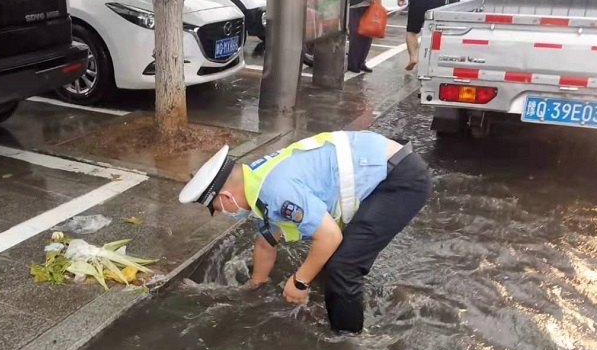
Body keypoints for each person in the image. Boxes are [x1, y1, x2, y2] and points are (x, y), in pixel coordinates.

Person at [179, 131, 432, 334]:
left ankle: (350, 347)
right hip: (384, 165)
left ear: (224, 196)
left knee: (342, 267)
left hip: (398, 179)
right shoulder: (255, 181)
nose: (224, 213)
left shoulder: (275, 189)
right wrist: (254, 286)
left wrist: (299, 282)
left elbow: (330, 236)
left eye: (217, 208)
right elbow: (265, 242)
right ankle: (346, 311)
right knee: (327, 263)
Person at [347, 0, 381, 74]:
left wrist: (378, 8)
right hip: (354, 6)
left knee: (367, 35)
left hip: (368, 6)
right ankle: (353, 63)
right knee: (355, 35)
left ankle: (361, 62)